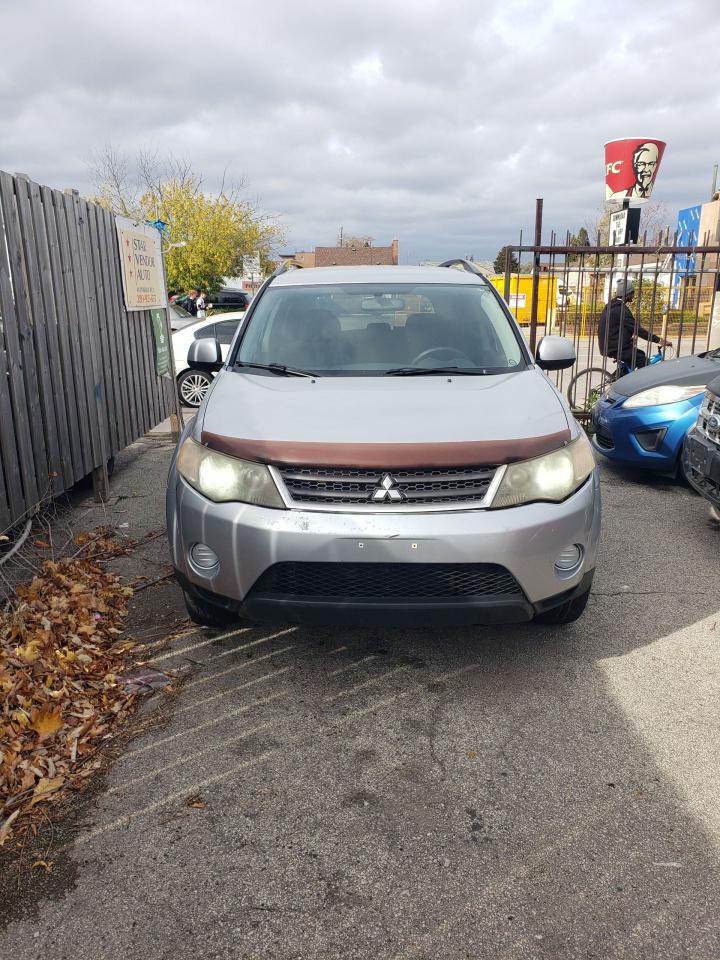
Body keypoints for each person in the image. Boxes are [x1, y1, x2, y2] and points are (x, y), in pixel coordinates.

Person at [597, 279, 671, 369]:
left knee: (638, 355)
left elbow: (615, 328)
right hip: (615, 348)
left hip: (608, 346)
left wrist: (627, 339)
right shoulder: (621, 310)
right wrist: (659, 340)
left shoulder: (611, 305)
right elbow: (637, 330)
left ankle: (623, 375)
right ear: (627, 294)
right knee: (642, 360)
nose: (633, 295)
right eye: (632, 293)